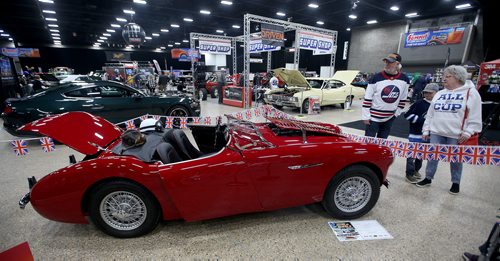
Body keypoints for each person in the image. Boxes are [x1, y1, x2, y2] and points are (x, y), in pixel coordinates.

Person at [416, 65, 482, 194]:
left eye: (448, 76)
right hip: (436, 131)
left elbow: (475, 115)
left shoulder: (471, 93)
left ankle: (455, 183)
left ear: (458, 77)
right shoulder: (440, 93)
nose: (443, 79)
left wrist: (468, 132)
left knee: (456, 159)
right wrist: (426, 129)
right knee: (432, 156)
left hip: (456, 134)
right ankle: (428, 178)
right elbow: (430, 113)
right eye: (443, 76)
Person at [362, 53, 410, 139]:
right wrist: (366, 116)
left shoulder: (404, 79)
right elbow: (367, 99)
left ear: (397, 64)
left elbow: (403, 99)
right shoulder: (375, 78)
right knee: (368, 142)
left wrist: (396, 114)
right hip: (373, 118)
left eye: (390, 62)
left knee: (383, 141)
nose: (387, 64)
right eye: (386, 62)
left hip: (389, 118)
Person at [404, 83, 439, 183]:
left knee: (421, 155)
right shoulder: (419, 103)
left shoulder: (438, 104)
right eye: (425, 92)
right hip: (415, 134)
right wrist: (422, 120)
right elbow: (407, 115)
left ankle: (416, 170)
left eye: (430, 93)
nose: (427, 94)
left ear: (437, 93)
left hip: (428, 135)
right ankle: (409, 174)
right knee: (411, 155)